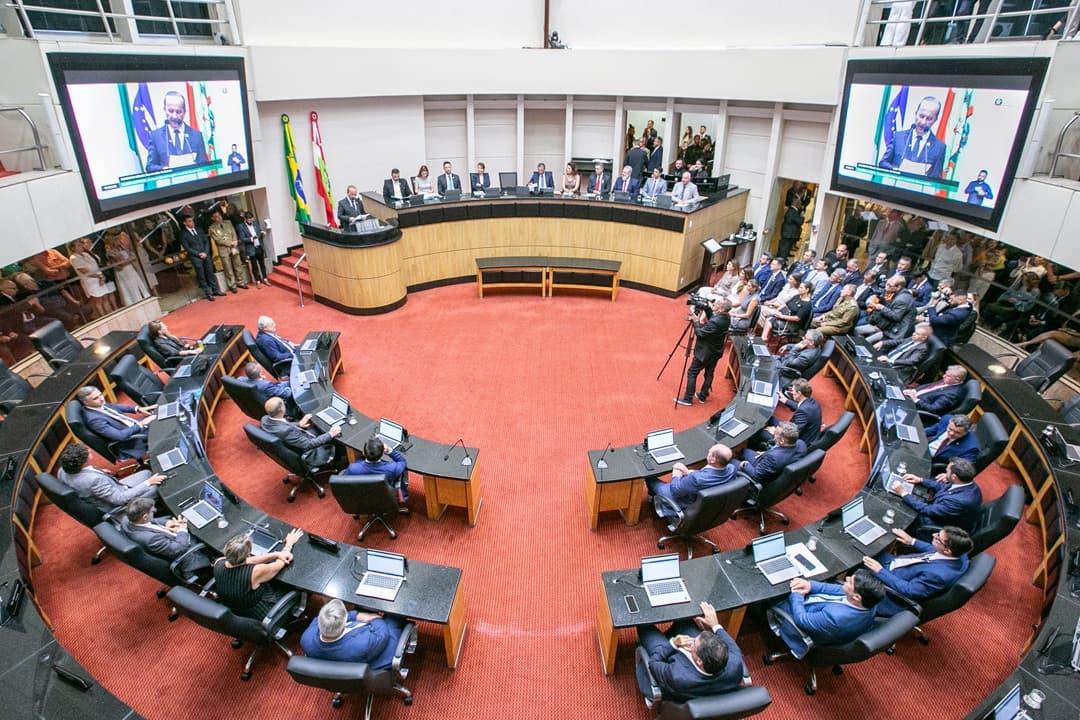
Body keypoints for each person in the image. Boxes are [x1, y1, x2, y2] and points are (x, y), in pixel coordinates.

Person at [636, 601, 745, 703]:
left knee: (645, 625)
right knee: (685, 618)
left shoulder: (677, 676)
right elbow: (729, 643)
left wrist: (673, 644)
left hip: (672, 662)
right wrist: (715, 625)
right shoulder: (735, 663)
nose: (692, 640)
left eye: (693, 643)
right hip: (706, 681)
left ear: (699, 661)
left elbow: (654, 663)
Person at [863, 526, 972, 617]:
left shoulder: (938, 576)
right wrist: (912, 541)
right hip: (897, 565)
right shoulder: (961, 556)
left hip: (890, 587)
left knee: (857, 564)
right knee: (870, 547)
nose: (934, 534)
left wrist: (880, 571)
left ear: (947, 551)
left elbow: (910, 590)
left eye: (938, 537)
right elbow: (934, 550)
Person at [775, 570, 885, 659]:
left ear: (856, 597)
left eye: (850, 582)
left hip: (799, 616)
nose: (847, 578)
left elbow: (801, 619)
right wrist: (809, 585)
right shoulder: (868, 601)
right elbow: (836, 589)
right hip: (816, 606)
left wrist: (796, 595)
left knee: (775, 594)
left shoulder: (836, 618)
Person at [213, 528, 303, 619]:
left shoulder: (219, 562)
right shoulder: (255, 572)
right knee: (294, 588)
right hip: (256, 611)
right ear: (248, 554)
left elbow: (246, 561)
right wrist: (289, 545)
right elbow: (279, 564)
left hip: (232, 607)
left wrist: (275, 555)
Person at [300, 599, 407, 669]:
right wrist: (374, 618)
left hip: (342, 661)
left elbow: (318, 619)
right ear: (343, 624)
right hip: (374, 659)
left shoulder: (306, 639)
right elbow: (382, 634)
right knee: (394, 616)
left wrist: (356, 615)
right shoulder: (364, 643)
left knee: (361, 608)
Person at [57, 442, 162, 512]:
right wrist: (148, 483)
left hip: (113, 488)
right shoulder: (94, 480)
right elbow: (120, 499)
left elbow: (85, 479)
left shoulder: (62, 470)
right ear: (82, 462)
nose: (89, 450)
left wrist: (100, 472)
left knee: (146, 473)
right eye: (87, 452)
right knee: (157, 488)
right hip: (119, 503)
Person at [120, 497, 211, 576]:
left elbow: (152, 521)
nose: (155, 510)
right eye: (152, 511)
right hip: (189, 555)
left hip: (170, 538)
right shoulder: (151, 540)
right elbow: (179, 548)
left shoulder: (127, 519)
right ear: (145, 517)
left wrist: (168, 523)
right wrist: (182, 530)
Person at [891, 458, 982, 532]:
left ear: (954, 477)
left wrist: (903, 493)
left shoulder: (957, 501)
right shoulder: (966, 482)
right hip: (942, 510)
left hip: (937, 524)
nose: (945, 471)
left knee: (897, 506)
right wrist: (920, 480)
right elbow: (943, 487)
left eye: (947, 471)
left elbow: (927, 510)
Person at [646, 443, 736, 517]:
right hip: (708, 502)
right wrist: (688, 472)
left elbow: (675, 490)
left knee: (650, 478)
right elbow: (708, 475)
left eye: (709, 452)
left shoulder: (696, 478)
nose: (708, 451)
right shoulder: (732, 469)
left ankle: (653, 499)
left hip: (687, 501)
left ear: (712, 460)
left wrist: (676, 475)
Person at [260, 396, 342, 471]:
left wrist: (299, 424)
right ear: (281, 410)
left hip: (295, 442)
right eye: (283, 404)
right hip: (310, 453)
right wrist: (330, 434)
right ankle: (339, 463)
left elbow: (282, 424)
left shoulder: (265, 419)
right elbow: (309, 444)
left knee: (318, 427)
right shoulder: (286, 431)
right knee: (338, 437)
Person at [75, 385, 156, 460]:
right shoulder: (94, 420)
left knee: (158, 415)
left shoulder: (97, 404)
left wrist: (138, 409)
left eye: (100, 394)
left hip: (134, 426)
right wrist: (141, 424)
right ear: (86, 402)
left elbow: (115, 407)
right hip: (132, 440)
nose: (102, 398)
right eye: (95, 398)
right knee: (161, 426)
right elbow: (119, 436)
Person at [677, 297, 731, 405]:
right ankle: (703, 395)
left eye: (716, 305)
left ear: (721, 309)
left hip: (705, 352)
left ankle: (688, 398)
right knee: (709, 373)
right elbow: (713, 318)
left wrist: (696, 321)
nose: (714, 305)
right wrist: (707, 309)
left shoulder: (715, 322)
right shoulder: (726, 317)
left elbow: (700, 333)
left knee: (692, 372)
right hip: (716, 352)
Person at [878, 96, 946, 179]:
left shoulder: (939, 148)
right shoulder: (898, 137)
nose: (923, 122)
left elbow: (936, 178)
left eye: (929, 119)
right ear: (916, 113)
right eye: (921, 116)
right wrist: (895, 170)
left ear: (935, 120)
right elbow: (883, 163)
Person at [144, 91, 208, 172]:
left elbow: (204, 165)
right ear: (164, 110)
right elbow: (150, 166)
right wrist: (164, 170)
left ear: (184, 112)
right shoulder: (156, 136)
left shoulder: (196, 136)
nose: (174, 116)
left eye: (178, 112)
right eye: (170, 111)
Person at [755, 379, 821, 450]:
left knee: (759, 433)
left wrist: (775, 431)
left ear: (799, 393)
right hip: (803, 433)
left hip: (795, 443)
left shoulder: (803, 412)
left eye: (793, 391)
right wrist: (785, 400)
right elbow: (800, 406)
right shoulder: (812, 402)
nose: (791, 393)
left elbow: (791, 434)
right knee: (770, 418)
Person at [740, 421, 807, 487]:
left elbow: (756, 475)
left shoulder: (773, 458)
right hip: (771, 464)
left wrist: (745, 465)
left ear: (782, 441)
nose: (773, 434)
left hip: (760, 473)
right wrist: (766, 453)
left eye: (776, 433)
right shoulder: (801, 444)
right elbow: (779, 449)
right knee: (744, 451)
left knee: (735, 461)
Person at [344, 436, 410, 502]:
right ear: (382, 454)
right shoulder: (392, 468)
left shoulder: (353, 468)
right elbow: (402, 462)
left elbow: (344, 482)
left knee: (359, 460)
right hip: (384, 498)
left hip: (362, 498)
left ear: (363, 453)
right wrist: (389, 451)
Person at [856, 276, 917, 344]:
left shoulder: (901, 299)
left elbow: (896, 316)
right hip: (886, 326)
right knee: (857, 331)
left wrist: (881, 308)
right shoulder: (899, 294)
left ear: (898, 287)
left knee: (865, 342)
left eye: (889, 285)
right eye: (887, 284)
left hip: (894, 332)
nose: (886, 287)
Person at [69, 237, 119, 317]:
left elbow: (96, 265)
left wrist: (102, 276)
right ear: (73, 248)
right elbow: (85, 271)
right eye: (78, 245)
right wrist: (99, 276)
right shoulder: (74, 258)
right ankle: (104, 316)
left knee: (105, 297)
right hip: (91, 281)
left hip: (100, 278)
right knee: (98, 300)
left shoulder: (86, 254)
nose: (81, 246)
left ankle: (110, 314)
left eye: (81, 244)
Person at [179, 215, 223, 302]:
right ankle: (208, 293)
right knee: (201, 276)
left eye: (192, 220)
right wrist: (199, 254)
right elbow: (187, 248)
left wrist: (205, 252)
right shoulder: (183, 234)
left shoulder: (199, 229)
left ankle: (215, 290)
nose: (192, 223)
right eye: (189, 221)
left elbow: (206, 242)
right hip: (196, 257)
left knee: (210, 273)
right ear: (185, 223)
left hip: (206, 255)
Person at [104, 230, 151, 306]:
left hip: (130, 269)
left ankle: (145, 299)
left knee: (138, 284)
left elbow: (132, 256)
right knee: (130, 287)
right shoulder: (110, 252)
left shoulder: (121, 247)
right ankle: (136, 302)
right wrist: (129, 260)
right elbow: (120, 262)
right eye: (115, 239)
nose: (117, 240)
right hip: (124, 271)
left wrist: (129, 259)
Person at [903, 365, 968, 416]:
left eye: (948, 376)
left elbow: (933, 409)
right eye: (946, 374)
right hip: (912, 398)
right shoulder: (949, 381)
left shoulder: (953, 394)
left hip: (917, 409)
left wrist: (915, 400)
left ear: (957, 380)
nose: (944, 376)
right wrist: (914, 391)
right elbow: (928, 386)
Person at [208, 211, 248, 293]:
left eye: (219, 215)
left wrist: (234, 244)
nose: (218, 217)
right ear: (213, 218)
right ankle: (232, 285)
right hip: (223, 250)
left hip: (234, 247)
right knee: (228, 268)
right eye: (216, 216)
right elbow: (218, 240)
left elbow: (233, 233)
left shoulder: (228, 223)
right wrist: (231, 243)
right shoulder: (212, 228)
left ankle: (240, 282)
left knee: (238, 265)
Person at [236, 211, 269, 287]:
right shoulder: (241, 226)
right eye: (249, 219)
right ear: (245, 219)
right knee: (254, 266)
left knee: (262, 264)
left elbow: (259, 232)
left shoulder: (255, 223)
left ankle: (265, 278)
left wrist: (262, 234)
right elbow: (242, 238)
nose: (251, 221)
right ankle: (257, 281)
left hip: (259, 246)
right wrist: (251, 238)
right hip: (251, 248)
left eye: (252, 219)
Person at [777, 197, 804, 262]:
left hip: (789, 233)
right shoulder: (792, 211)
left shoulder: (793, 210)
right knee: (784, 248)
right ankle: (781, 261)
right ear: (797, 204)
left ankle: (784, 257)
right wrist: (802, 216)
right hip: (788, 233)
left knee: (787, 247)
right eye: (800, 204)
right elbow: (799, 221)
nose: (801, 206)